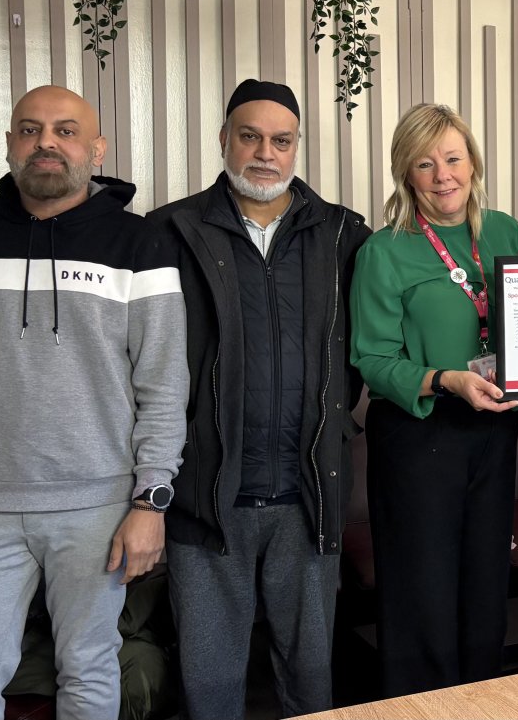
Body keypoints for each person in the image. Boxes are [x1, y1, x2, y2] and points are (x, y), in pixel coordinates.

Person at [148, 79, 371, 720]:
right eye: (250, 137)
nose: (265, 153)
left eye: (281, 140)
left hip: (308, 494)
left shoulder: (343, 235)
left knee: (311, 680)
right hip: (205, 497)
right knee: (210, 682)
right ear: (224, 139)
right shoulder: (170, 231)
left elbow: (381, 336)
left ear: (297, 146)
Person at [0, 86, 187, 720]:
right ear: (10, 143)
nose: (46, 142)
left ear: (96, 150)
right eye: (30, 129)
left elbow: (163, 384)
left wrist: (150, 503)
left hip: (97, 506)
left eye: (65, 131)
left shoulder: (140, 244)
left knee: (90, 667)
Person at [350, 103, 518, 698]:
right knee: (423, 594)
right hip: (419, 437)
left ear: (473, 163)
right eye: (425, 164)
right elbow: (372, 359)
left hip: (494, 432)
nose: (443, 176)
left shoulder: (505, 232)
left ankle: (482, 701)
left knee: (485, 585)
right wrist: (446, 380)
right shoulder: (384, 251)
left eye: (454, 159)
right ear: (406, 174)